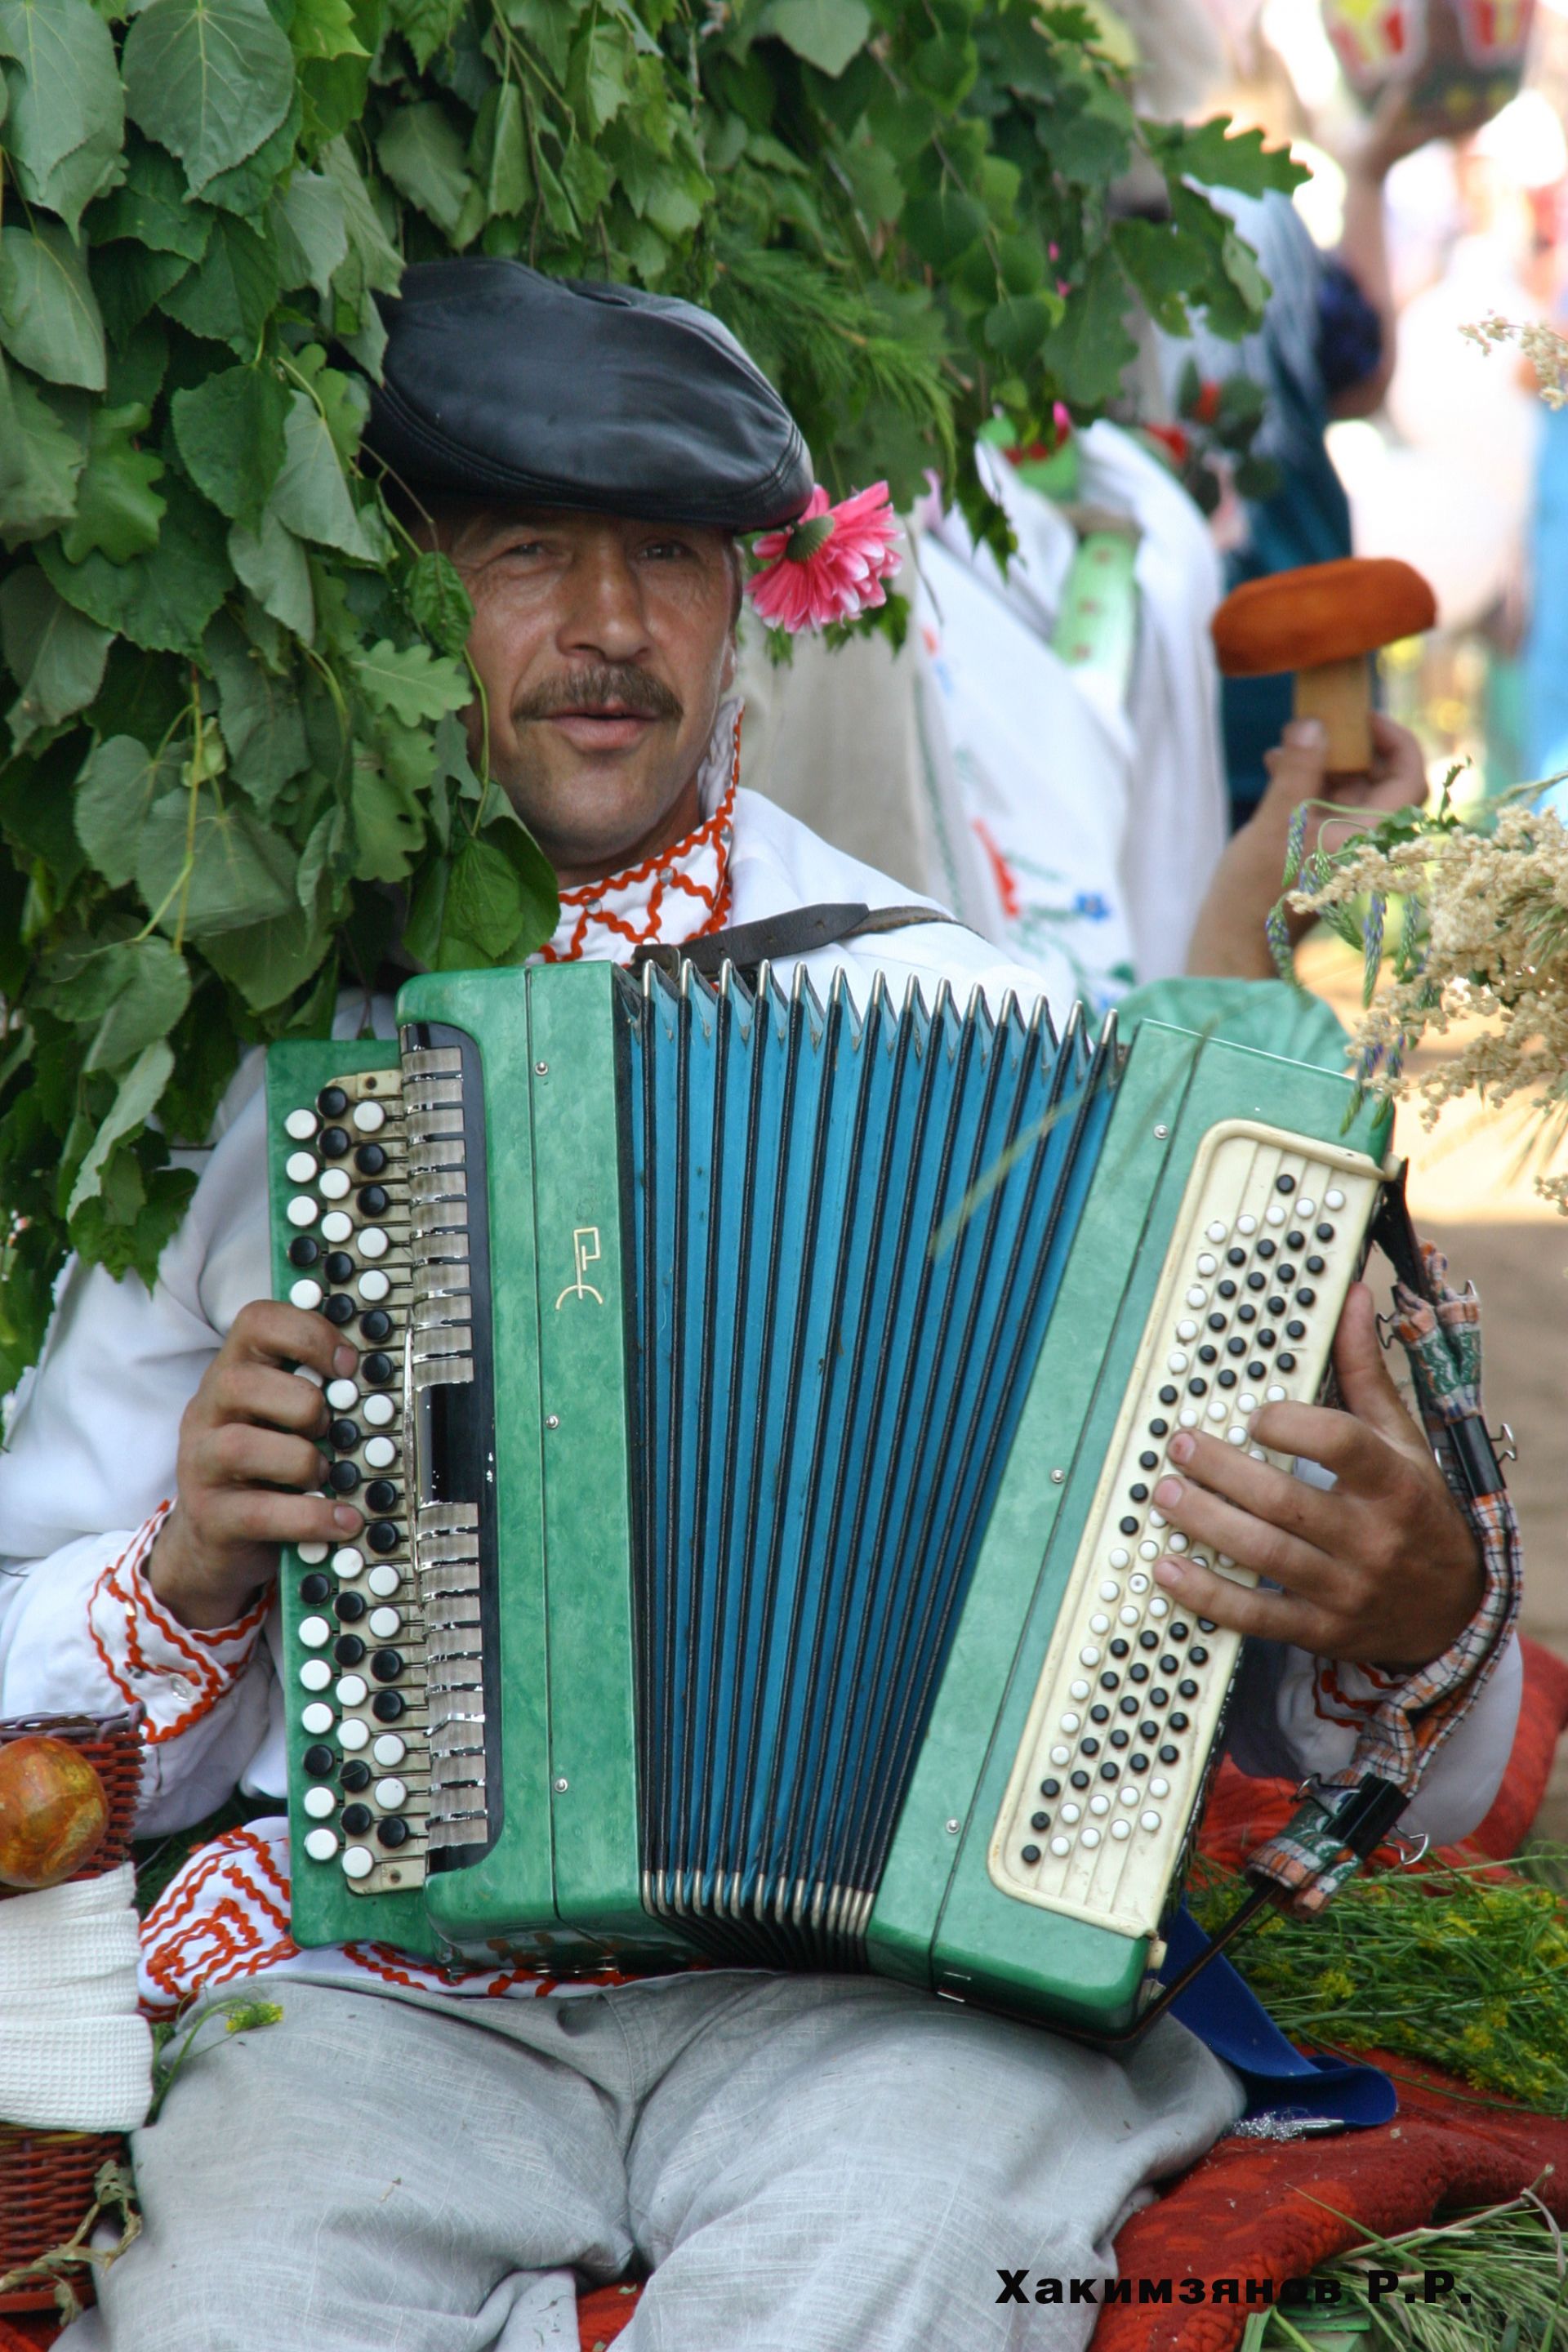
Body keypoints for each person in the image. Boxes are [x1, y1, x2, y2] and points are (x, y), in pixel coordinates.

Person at [0, 261, 1516, 2352]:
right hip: (388, 2003)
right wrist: (186, 1565)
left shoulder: (982, 1037)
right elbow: (30, 1695)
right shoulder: (250, 1048)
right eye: (527, 553)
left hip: (891, 2013)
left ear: (747, 605)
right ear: (410, 588)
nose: (606, 626)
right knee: (214, 2315)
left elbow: (1326, 1729)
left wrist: (1412, 1603)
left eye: (668, 558)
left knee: (866, 2283)